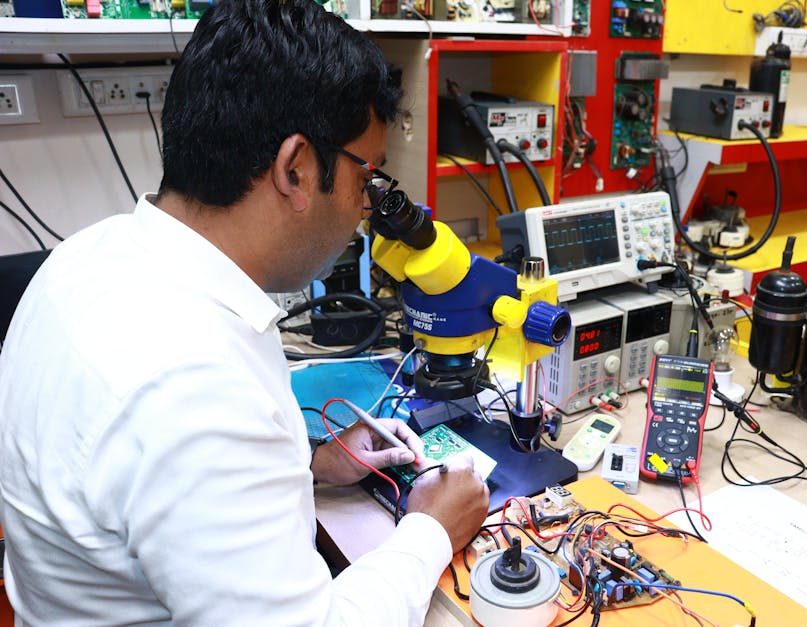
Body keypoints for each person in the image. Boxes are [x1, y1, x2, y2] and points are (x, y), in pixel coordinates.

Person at [0, 1, 489, 624]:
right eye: (367, 178)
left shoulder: (87, 256)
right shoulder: (193, 383)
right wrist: (431, 531)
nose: (368, 206)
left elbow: (161, 497)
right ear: (296, 168)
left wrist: (306, 466)